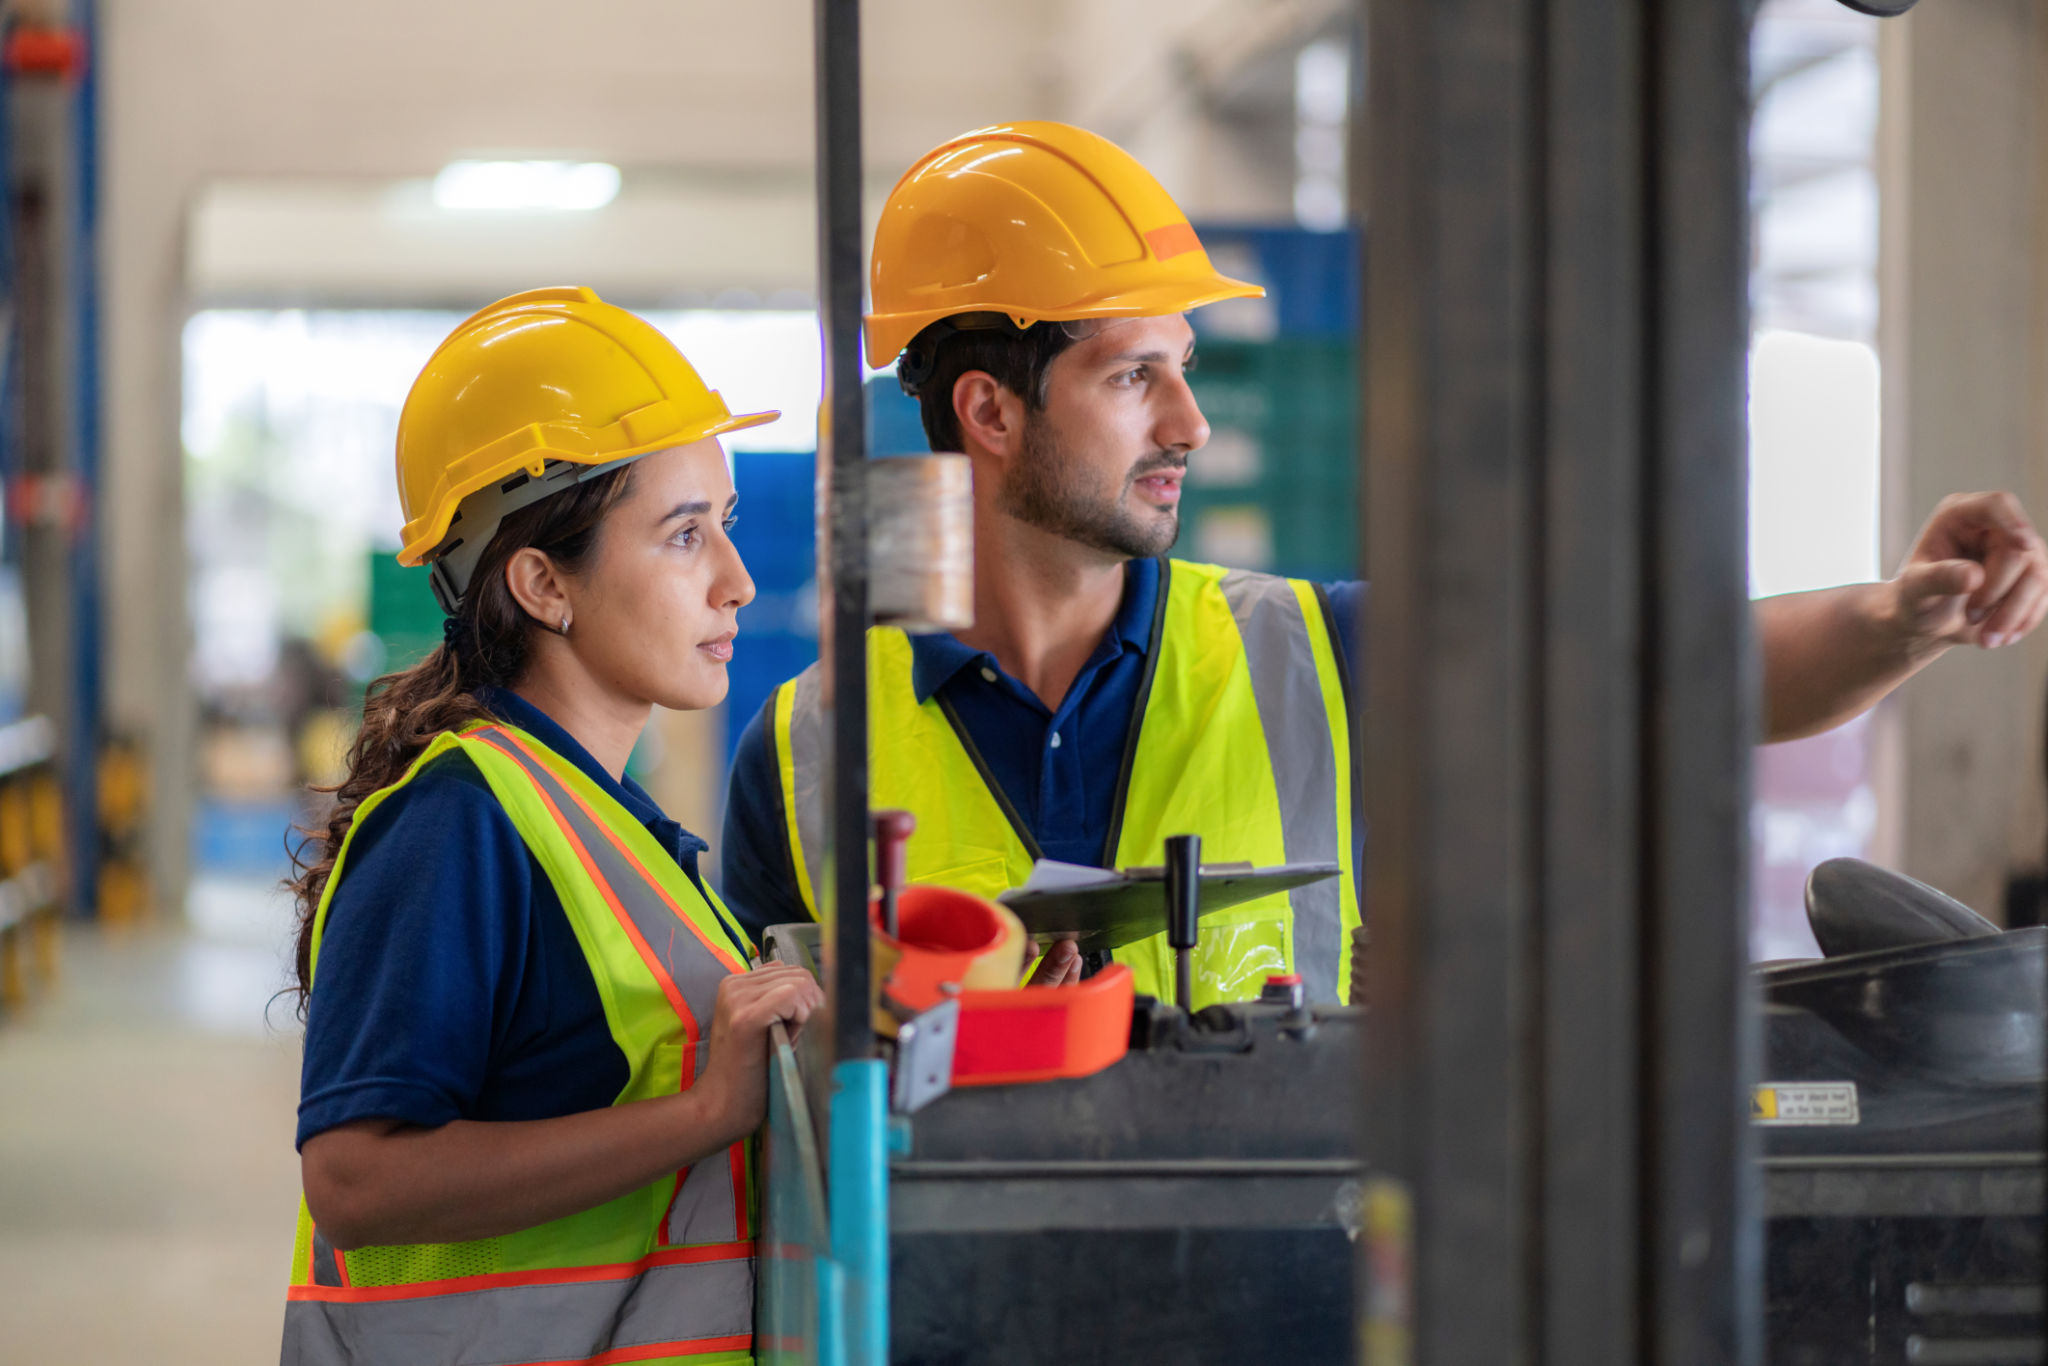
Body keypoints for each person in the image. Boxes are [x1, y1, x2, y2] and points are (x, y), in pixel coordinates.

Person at [720, 121, 2048, 1009]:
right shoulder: (803, 753)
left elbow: (1677, 684)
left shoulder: (1318, 656)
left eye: (1184, 372)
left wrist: (1896, 614)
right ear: (990, 414)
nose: (1190, 424)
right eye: (1136, 377)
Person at [282, 287, 822, 1366]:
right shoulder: (459, 821)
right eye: (683, 536)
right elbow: (354, 1178)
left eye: (722, 525)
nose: (736, 582)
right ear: (541, 583)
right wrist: (708, 1108)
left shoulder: (594, 814)